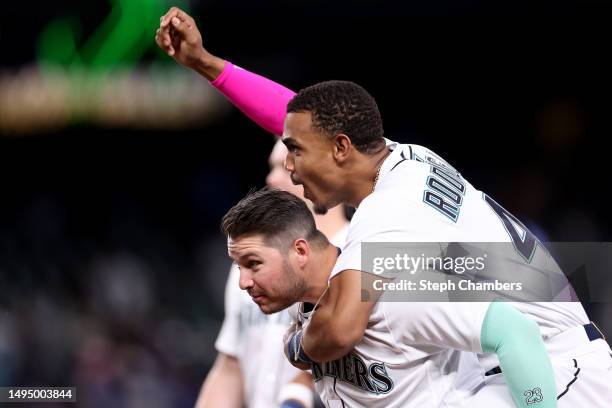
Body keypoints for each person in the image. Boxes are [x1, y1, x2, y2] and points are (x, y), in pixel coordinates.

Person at [155, 7, 612, 408]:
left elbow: (337, 330)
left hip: (552, 365)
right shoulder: (403, 160)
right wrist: (206, 64)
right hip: (516, 355)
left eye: (295, 154)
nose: (290, 168)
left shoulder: (389, 213)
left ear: (340, 149)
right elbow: (295, 115)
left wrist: (295, 346)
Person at [156, 11, 351, 408]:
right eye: (272, 168)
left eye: (286, 165)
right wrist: (205, 64)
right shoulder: (249, 263)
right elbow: (231, 367)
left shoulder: (368, 252)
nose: (276, 179)